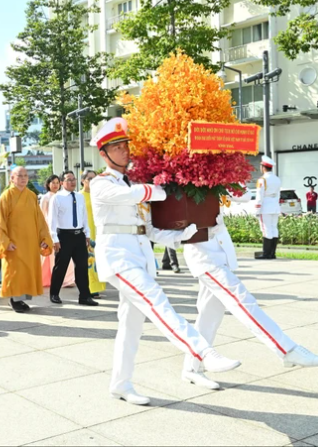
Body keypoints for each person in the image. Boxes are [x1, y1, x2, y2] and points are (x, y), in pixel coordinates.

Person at [89, 117, 242, 405]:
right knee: (157, 302)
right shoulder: (101, 184)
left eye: (125, 145)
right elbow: (131, 194)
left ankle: (120, 385)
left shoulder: (135, 182)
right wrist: (163, 188)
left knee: (130, 325)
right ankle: (203, 352)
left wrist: (181, 236)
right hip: (117, 256)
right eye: (116, 146)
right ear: (104, 153)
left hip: (140, 255)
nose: (123, 151)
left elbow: (150, 229)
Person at [181, 201, 318, 389]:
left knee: (209, 315)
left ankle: (191, 368)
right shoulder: (181, 182)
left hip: (220, 252)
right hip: (204, 256)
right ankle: (287, 350)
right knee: (242, 300)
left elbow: (240, 195)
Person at [0, 166, 53, 313]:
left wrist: (44, 237)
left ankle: (21, 300)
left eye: (25, 176)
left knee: (27, 271)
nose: (23, 178)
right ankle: (14, 299)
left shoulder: (32, 196)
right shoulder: (6, 197)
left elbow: (39, 220)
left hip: (30, 242)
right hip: (14, 243)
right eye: (19, 176)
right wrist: (5, 242)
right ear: (12, 178)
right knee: (14, 272)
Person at [47, 171, 97, 306]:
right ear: (62, 183)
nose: (72, 182)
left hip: (79, 236)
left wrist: (87, 234)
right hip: (64, 236)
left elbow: (84, 217)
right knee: (60, 266)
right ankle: (54, 293)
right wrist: (54, 239)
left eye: (73, 179)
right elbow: (52, 220)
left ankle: (84, 296)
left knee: (82, 266)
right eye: (68, 180)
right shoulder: (57, 198)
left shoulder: (80, 197)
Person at [40, 175, 76, 289]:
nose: (55, 185)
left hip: (62, 229)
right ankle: (51, 278)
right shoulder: (45, 198)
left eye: (57, 182)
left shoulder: (62, 196)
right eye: (53, 182)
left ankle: (68, 279)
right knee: (50, 256)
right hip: (50, 230)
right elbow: (41, 215)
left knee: (65, 254)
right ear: (48, 184)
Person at [80, 170, 106, 298]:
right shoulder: (79, 196)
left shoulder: (100, 195)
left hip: (100, 232)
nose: (93, 181)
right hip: (87, 232)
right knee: (89, 261)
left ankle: (97, 286)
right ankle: (90, 288)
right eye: (89, 179)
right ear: (82, 181)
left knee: (99, 262)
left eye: (95, 179)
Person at [254, 156, 281, 260]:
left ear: (263, 167)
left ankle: (266, 254)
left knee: (266, 229)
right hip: (275, 206)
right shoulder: (277, 179)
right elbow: (278, 195)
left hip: (265, 206)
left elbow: (259, 196)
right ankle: (272, 253)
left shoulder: (262, 180)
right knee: (274, 228)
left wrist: (257, 209)